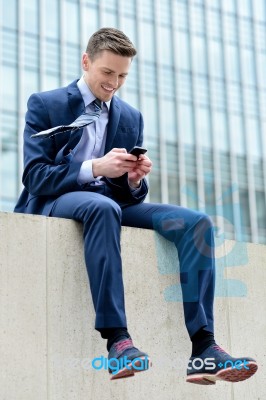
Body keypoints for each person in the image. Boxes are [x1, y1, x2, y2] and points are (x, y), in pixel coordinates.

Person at [14, 27, 258, 383]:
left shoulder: (130, 117)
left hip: (112, 202)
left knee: (197, 222)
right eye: (107, 73)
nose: (114, 83)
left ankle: (204, 348)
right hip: (56, 201)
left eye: (123, 76)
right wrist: (94, 167)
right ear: (86, 61)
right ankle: (118, 342)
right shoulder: (46, 103)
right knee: (102, 208)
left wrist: (133, 181)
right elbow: (35, 176)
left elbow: (127, 197)